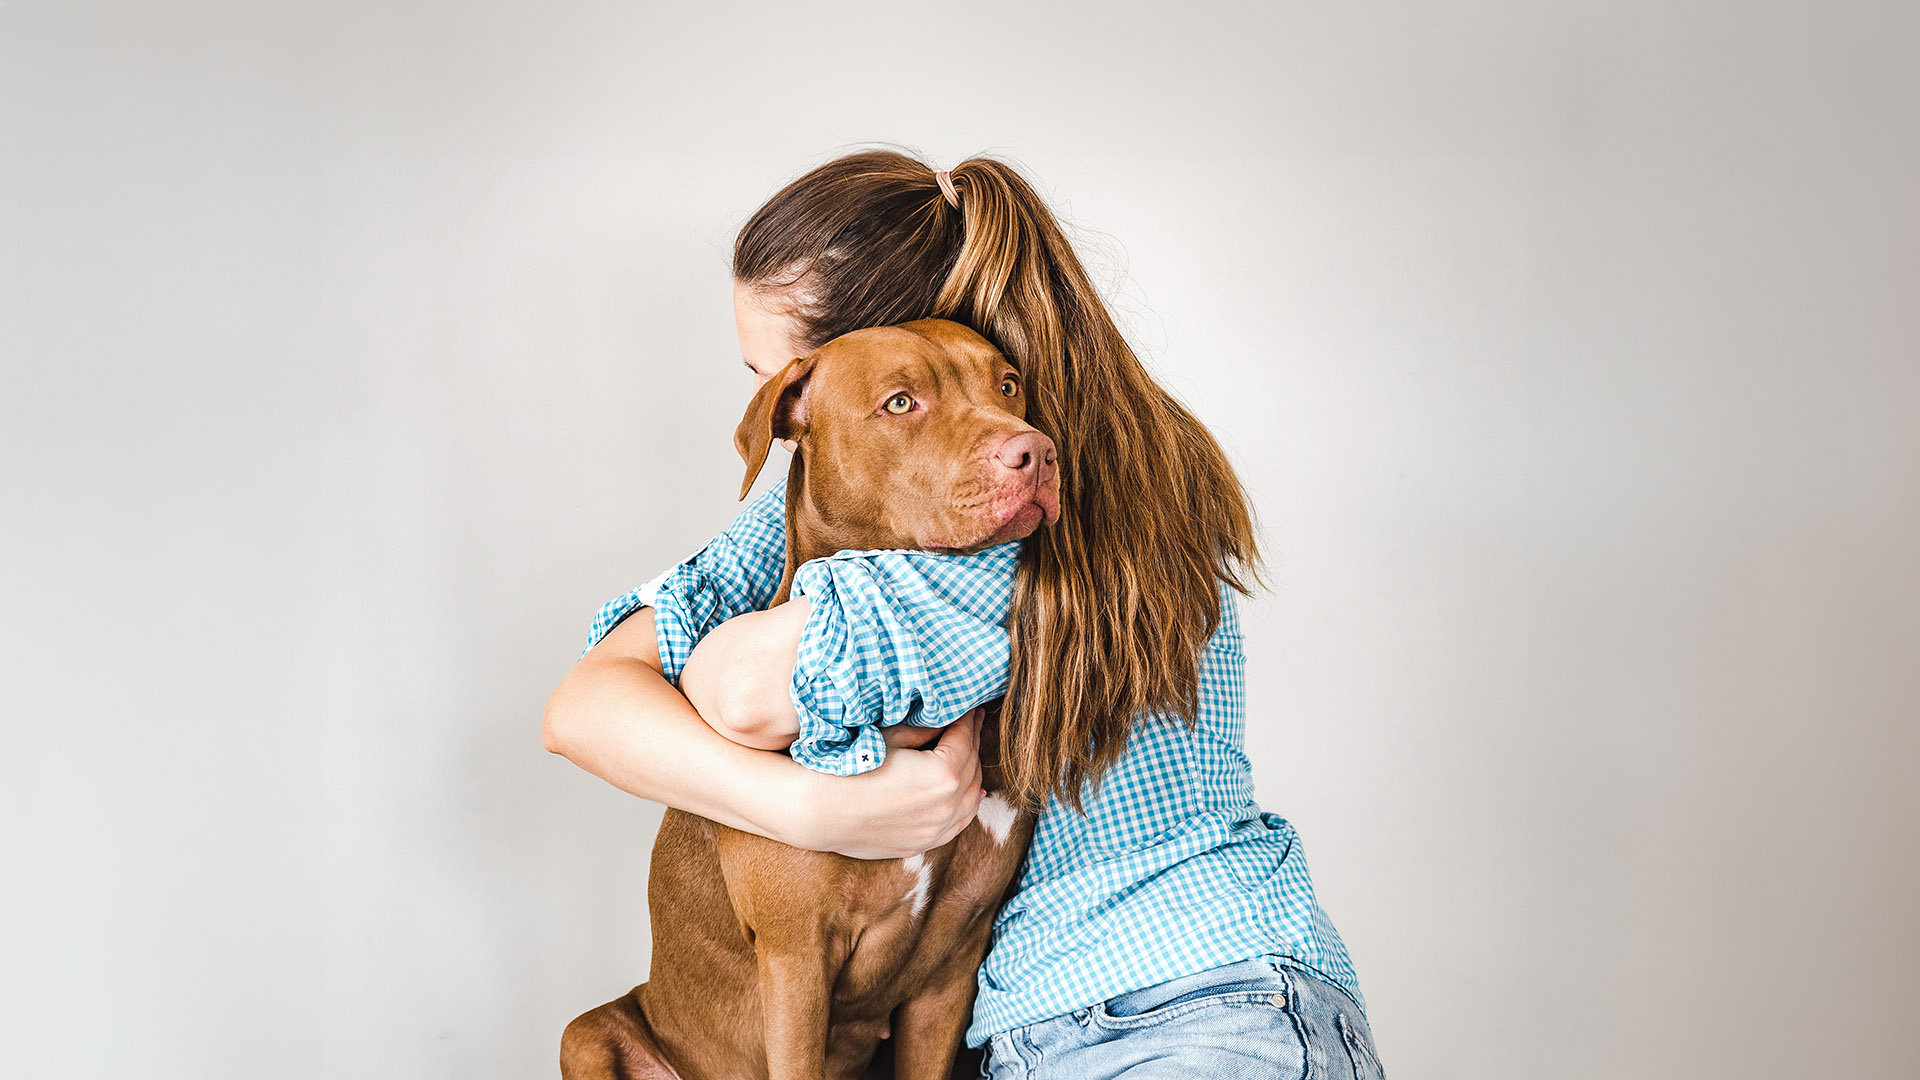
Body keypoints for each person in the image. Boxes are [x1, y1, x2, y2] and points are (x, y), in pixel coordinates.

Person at [542, 150, 1384, 1079]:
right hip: (1042, 1037)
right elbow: (583, 708)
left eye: (774, 373)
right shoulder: (861, 492)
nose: (777, 416)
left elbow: (740, 690)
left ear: (895, 356)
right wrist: (810, 807)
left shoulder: (1020, 505)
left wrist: (762, 749)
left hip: (1181, 1016)